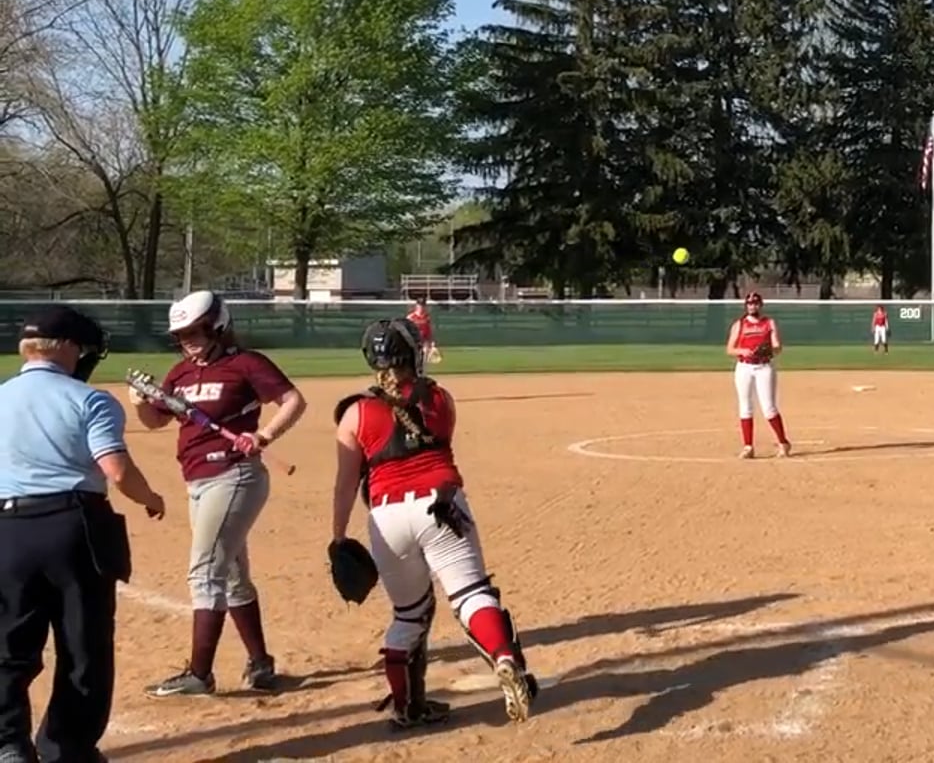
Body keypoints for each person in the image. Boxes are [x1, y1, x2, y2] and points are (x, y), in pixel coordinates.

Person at [329, 317, 536, 729]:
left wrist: (338, 537)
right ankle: (504, 658)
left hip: (387, 516)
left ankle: (408, 708)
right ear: (413, 354)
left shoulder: (354, 414)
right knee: (471, 595)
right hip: (441, 504)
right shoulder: (441, 399)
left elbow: (346, 483)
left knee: (409, 614)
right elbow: (428, 437)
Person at [1, 305, 166, 763]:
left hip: (7, 530)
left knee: (8, 644)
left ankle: (7, 744)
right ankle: (66, 748)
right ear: (69, 348)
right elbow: (116, 469)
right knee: (82, 644)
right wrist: (151, 498)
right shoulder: (90, 400)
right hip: (74, 526)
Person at [137, 290, 308, 698]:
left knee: (205, 571)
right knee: (231, 574)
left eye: (195, 332)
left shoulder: (245, 363)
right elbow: (155, 421)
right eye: (181, 335)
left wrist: (264, 435)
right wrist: (140, 402)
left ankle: (200, 674)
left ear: (217, 326)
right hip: (198, 479)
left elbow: (293, 401)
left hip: (234, 475)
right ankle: (261, 664)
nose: (188, 341)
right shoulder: (179, 374)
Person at [726, 292, 791, 459]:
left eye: (755, 303)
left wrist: (769, 350)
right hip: (744, 367)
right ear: (746, 306)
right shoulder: (739, 324)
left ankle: (783, 442)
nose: (752, 306)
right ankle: (748, 446)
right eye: (749, 304)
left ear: (760, 305)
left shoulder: (768, 323)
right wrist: (743, 350)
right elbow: (730, 349)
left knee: (768, 408)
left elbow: (777, 346)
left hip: (764, 367)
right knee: (745, 406)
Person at [406, 298, 440, 365]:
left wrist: (432, 343)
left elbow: (430, 331)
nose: (421, 307)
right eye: (420, 305)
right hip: (414, 341)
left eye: (423, 305)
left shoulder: (427, 317)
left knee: (424, 359)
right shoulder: (411, 317)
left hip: (424, 341)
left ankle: (423, 370)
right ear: (416, 306)